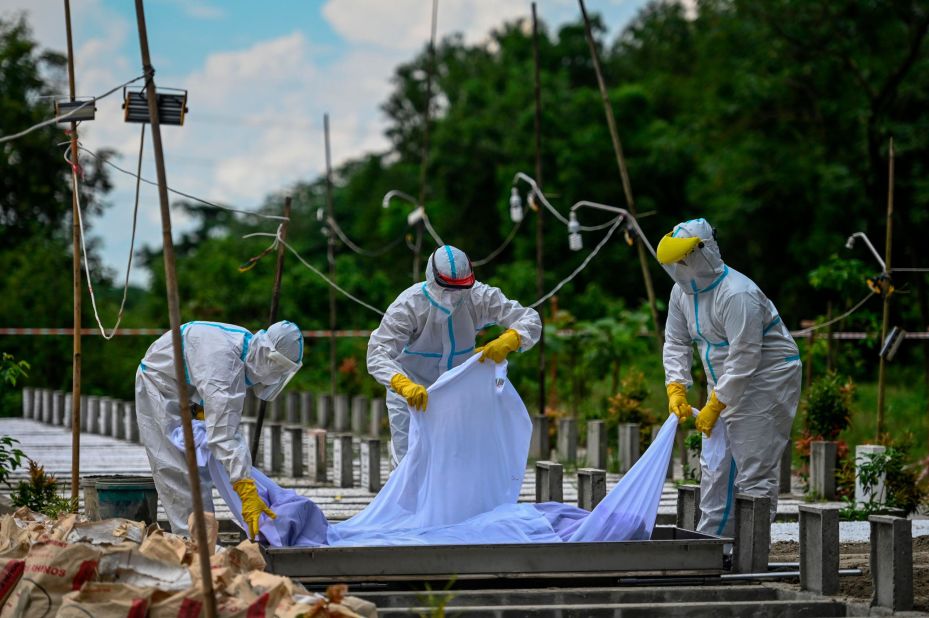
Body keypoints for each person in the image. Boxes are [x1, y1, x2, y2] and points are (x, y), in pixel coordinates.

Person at [657, 218, 801, 538]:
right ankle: (714, 547)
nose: (679, 269)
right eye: (674, 263)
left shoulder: (737, 293)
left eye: (684, 260)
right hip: (725, 380)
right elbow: (677, 342)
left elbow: (746, 356)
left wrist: (717, 403)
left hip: (767, 377)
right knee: (716, 466)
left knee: (753, 467)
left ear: (703, 253)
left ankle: (752, 553)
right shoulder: (681, 294)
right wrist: (676, 387)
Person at [367, 245, 542, 464]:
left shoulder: (478, 296)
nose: (453, 295)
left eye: (459, 289)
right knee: (409, 462)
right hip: (411, 394)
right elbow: (378, 352)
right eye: (447, 289)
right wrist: (401, 383)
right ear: (432, 281)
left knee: (460, 460)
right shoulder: (409, 305)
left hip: (459, 392)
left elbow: (530, 320)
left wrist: (511, 339)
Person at [135, 320, 303, 538]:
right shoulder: (226, 364)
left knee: (198, 466)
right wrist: (245, 487)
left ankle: (202, 540)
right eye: (279, 367)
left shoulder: (242, 347)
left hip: (185, 391)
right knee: (178, 471)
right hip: (159, 389)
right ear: (268, 354)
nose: (277, 374)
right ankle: (192, 547)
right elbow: (224, 436)